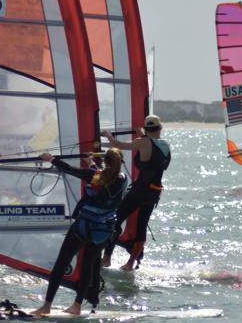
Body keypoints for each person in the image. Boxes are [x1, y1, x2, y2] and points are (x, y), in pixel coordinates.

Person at [30, 149, 127, 316]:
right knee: (88, 265)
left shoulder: (94, 176)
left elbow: (69, 169)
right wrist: (92, 163)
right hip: (104, 232)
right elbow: (103, 175)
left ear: (106, 162)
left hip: (83, 228)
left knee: (62, 263)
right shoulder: (122, 180)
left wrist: (50, 158)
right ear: (120, 163)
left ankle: (46, 306)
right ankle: (77, 305)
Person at [101, 114, 171, 270]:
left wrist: (108, 135)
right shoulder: (165, 145)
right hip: (154, 192)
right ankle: (130, 264)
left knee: (116, 220)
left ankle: (106, 258)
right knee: (141, 227)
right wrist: (142, 133)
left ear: (146, 129)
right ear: (160, 128)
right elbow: (153, 151)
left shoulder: (141, 142)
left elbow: (117, 145)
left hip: (139, 190)